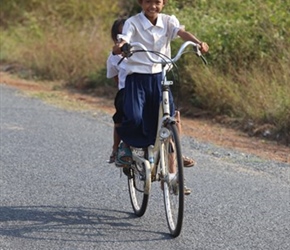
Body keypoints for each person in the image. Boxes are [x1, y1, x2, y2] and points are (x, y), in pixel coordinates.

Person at [113, 0, 209, 165]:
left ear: (164, 3)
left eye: (157, 2)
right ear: (141, 3)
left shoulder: (168, 21)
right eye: (148, 2)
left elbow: (181, 33)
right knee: (135, 116)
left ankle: (174, 153)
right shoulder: (133, 22)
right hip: (137, 77)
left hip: (160, 75)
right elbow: (124, 40)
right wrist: (121, 46)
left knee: (168, 117)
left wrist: (198, 43)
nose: (153, 6)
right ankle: (125, 147)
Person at [106, 18, 127, 164]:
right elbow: (117, 80)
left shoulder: (145, 51)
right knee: (121, 114)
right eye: (120, 35)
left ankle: (173, 154)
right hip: (127, 90)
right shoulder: (114, 57)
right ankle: (116, 147)